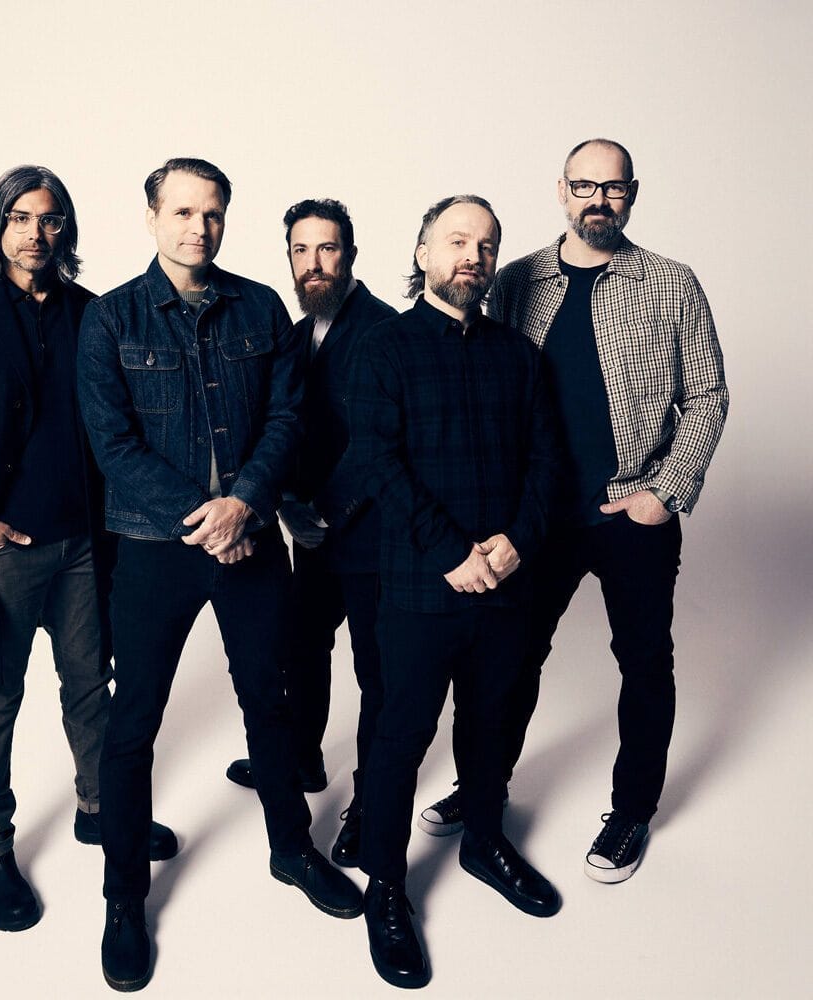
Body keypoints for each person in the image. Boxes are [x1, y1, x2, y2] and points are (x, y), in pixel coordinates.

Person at [77, 158, 363, 992]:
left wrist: (244, 501)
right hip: (157, 545)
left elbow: (288, 415)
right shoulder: (111, 320)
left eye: (213, 213)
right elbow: (114, 445)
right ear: (152, 218)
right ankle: (124, 895)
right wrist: (209, 520)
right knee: (132, 729)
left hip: (249, 538)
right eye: (183, 211)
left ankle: (290, 849)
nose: (198, 227)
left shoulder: (261, 306)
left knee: (270, 707)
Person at [419, 138, 729, 885]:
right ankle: (485, 788)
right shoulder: (518, 278)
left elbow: (709, 394)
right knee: (511, 661)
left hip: (632, 512)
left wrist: (667, 488)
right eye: (584, 186)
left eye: (613, 188)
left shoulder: (671, 283)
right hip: (537, 517)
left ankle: (633, 810)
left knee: (645, 661)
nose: (599, 200)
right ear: (561, 190)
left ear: (631, 194)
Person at [0, 165, 176, 934]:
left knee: (92, 687)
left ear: (67, 231)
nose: (35, 233)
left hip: (85, 544)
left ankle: (98, 810)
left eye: (49, 220)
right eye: (20, 218)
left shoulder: (94, 315)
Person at [348, 195, 561, 989]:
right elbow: (379, 462)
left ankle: (482, 839)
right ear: (424, 250)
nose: (473, 255)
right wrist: (450, 553)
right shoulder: (385, 348)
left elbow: (547, 464)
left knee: (493, 722)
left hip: (505, 584)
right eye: (457, 241)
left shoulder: (518, 354)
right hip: (420, 589)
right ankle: (388, 887)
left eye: (487, 244)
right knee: (400, 739)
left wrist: (517, 542)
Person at [225, 198, 396, 868]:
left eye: (327, 249)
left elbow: (381, 439)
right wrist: (288, 504)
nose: (313, 263)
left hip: (371, 534)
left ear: (349, 254)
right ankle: (300, 761)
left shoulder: (384, 329)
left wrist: (323, 510)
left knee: (376, 675)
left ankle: (369, 804)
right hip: (311, 531)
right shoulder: (296, 335)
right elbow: (285, 426)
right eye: (301, 250)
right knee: (301, 647)